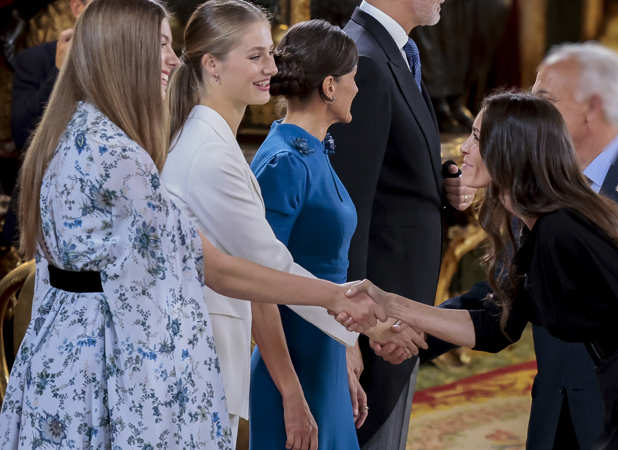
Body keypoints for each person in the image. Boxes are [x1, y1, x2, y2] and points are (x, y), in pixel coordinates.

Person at [0, 0, 383, 446]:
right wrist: (339, 297)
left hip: (73, 357)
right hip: (107, 369)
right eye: (161, 44)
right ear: (124, 51)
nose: (172, 59)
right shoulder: (121, 155)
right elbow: (219, 267)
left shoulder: (81, 132)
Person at [344, 91, 618, 450]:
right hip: (608, 402)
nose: (463, 147)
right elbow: (496, 328)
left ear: (508, 151)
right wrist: (389, 304)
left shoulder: (565, 228)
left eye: (477, 137)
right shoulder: (537, 228)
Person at [163, 1, 365, 447]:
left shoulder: (214, 143)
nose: (272, 67)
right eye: (256, 56)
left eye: (270, 54)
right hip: (203, 352)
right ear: (212, 65)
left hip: (218, 350)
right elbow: (268, 269)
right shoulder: (213, 154)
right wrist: (360, 319)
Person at [247, 19, 426, 450]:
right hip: (293, 362)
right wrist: (291, 394)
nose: (357, 90)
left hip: (325, 353)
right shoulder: (284, 163)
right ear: (329, 86)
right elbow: (259, 287)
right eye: (352, 80)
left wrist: (344, 350)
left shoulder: (314, 151)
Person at [328, 1, 475, 447]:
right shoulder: (366, 60)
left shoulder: (395, 49)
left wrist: (445, 181)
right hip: (375, 310)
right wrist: (347, 329)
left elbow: (392, 172)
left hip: (397, 300)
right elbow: (348, 206)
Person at [3, 0, 91, 269]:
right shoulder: (35, 60)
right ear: (78, 8)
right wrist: (59, 72)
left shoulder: (128, 65)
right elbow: (23, 134)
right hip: (38, 219)